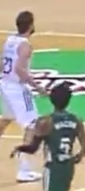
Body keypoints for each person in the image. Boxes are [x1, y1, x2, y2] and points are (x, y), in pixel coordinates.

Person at [10, 83, 85, 191]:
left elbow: (33, 148)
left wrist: (19, 148)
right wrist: (76, 158)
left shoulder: (45, 121)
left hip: (53, 168)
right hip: (68, 168)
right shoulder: (76, 120)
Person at [0, 11, 47, 181]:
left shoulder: (10, 40)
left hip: (4, 84)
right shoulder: (25, 45)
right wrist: (37, 87)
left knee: (6, 119)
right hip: (18, 88)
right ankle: (24, 169)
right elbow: (20, 70)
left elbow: (2, 63)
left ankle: (25, 168)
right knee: (32, 125)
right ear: (31, 25)